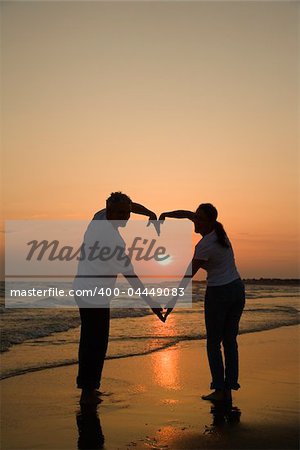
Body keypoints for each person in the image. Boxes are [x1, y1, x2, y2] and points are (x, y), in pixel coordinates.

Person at [74, 192, 163, 405]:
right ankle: (88, 391)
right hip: (92, 292)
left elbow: (132, 207)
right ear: (109, 208)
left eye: (127, 212)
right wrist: (151, 303)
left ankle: (89, 387)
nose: (125, 216)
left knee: (93, 339)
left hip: (86, 289)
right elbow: (131, 275)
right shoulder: (111, 240)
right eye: (121, 212)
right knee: (94, 342)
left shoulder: (99, 216)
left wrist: (149, 212)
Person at [160, 203, 245, 402]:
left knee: (214, 342)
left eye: (199, 219)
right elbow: (186, 213)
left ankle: (219, 389)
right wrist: (166, 214)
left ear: (208, 222)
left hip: (219, 293)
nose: (195, 221)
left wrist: (172, 301)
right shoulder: (218, 231)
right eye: (195, 217)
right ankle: (228, 389)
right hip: (237, 289)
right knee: (230, 341)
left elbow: (188, 275)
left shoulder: (205, 245)